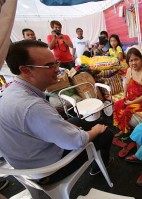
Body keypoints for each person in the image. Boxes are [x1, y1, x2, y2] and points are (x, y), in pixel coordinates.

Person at [0, 40, 113, 185]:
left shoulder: (10, 91)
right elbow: (77, 141)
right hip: (47, 170)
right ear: (26, 70)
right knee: (105, 133)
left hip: (25, 164)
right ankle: (99, 166)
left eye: (56, 62)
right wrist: (96, 130)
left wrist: (71, 128)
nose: (57, 69)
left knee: (77, 122)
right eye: (49, 65)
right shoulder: (32, 107)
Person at [112, 48, 142, 152]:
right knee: (117, 104)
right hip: (132, 97)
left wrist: (131, 102)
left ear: (141, 59)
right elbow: (126, 84)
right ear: (128, 62)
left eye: (136, 59)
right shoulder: (129, 70)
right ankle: (123, 128)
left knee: (127, 110)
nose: (133, 63)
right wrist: (124, 96)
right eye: (131, 61)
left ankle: (126, 133)